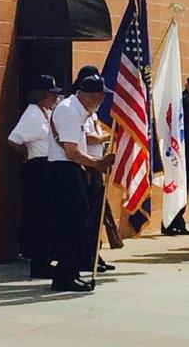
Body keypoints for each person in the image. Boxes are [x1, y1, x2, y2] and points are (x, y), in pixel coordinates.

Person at [48, 74, 115, 292]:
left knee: (79, 224)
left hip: (72, 171)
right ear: (92, 96)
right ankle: (64, 276)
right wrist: (97, 163)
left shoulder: (79, 111)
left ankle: (70, 273)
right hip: (65, 171)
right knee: (75, 225)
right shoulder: (69, 110)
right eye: (100, 96)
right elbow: (71, 152)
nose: (102, 100)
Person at [8, 74, 62, 279]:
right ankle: (40, 264)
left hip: (47, 167)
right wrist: (27, 155)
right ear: (44, 95)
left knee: (48, 217)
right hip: (37, 168)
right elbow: (13, 140)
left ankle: (46, 260)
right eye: (52, 94)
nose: (55, 98)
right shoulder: (32, 114)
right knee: (40, 217)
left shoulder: (45, 112)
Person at [72, 66, 118, 273]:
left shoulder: (90, 111)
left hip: (96, 165)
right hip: (87, 167)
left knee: (97, 214)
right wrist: (110, 137)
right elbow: (87, 137)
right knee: (88, 216)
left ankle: (93, 255)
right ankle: (85, 256)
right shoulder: (75, 109)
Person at [162, 75, 189, 236]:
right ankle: (170, 222)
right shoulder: (184, 101)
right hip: (182, 149)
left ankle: (178, 221)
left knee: (184, 186)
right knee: (178, 185)